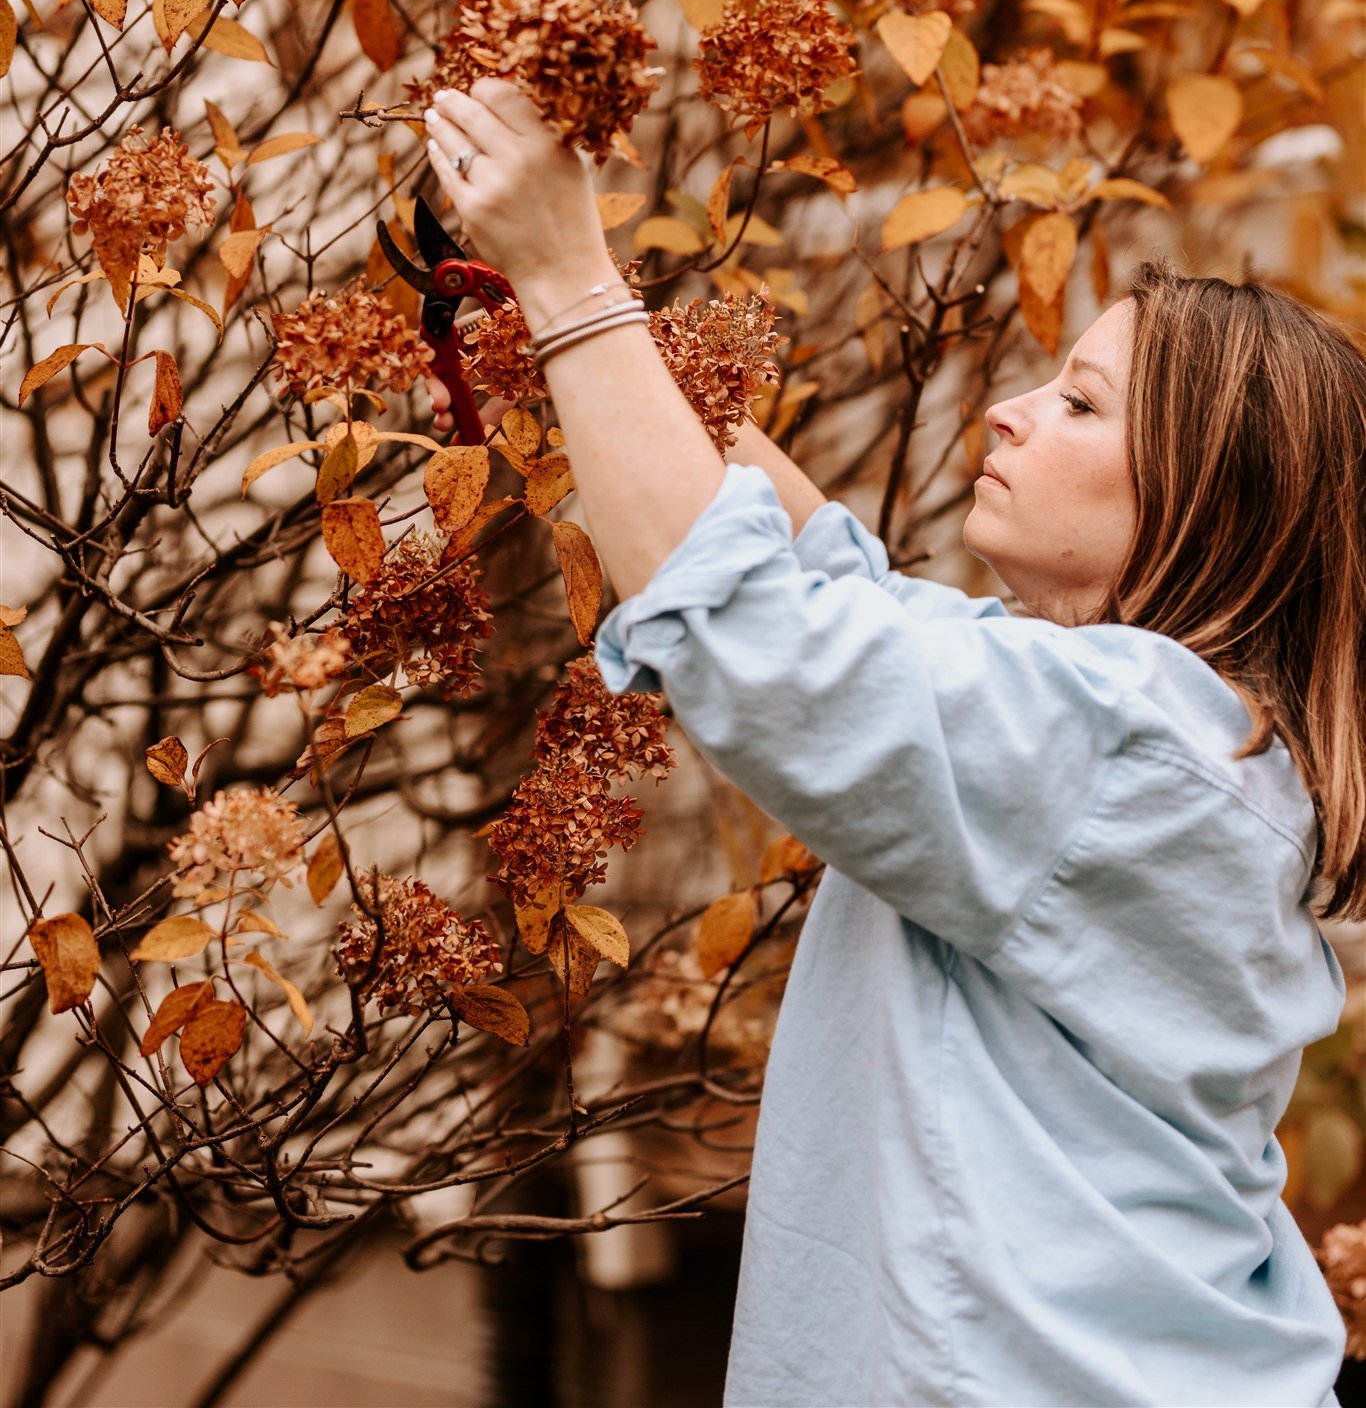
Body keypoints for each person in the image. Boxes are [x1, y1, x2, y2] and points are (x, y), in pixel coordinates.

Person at [422, 77, 1366, 1408]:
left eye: (1081, 407)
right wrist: (590, 327)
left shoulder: (1120, 743)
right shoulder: (1166, 736)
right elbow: (837, 594)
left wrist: (571, 277)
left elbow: (760, 640)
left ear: (1211, 504)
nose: (1009, 413)